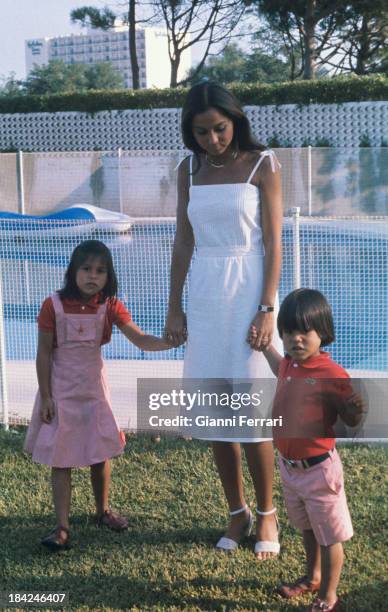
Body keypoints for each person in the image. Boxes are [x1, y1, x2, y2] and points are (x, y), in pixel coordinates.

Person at [164, 82, 283, 559]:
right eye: (201, 132)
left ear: (235, 120)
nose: (212, 139)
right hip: (208, 294)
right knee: (216, 412)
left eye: (219, 128)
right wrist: (174, 305)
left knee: (254, 412)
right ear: (190, 133)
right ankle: (236, 512)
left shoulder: (263, 163)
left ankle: (268, 514)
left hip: (249, 288)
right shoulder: (187, 169)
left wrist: (267, 307)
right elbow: (183, 241)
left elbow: (273, 242)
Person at [25, 240, 176, 551]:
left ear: (108, 276)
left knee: (100, 454)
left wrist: (168, 343)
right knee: (61, 458)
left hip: (94, 391)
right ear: (73, 271)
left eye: (100, 270)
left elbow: (140, 339)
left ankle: (102, 511)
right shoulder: (51, 305)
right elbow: (42, 354)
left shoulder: (110, 306)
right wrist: (47, 396)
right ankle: (62, 527)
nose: (92, 276)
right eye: (86, 269)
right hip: (60, 392)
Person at [259, 288, 364, 611]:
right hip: (291, 469)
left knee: (329, 536)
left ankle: (329, 598)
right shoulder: (290, 364)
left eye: (304, 331)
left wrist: (354, 410)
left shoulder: (331, 374)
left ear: (323, 332)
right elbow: (281, 371)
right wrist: (266, 348)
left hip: (319, 472)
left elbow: (351, 417)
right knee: (307, 528)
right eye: (288, 332)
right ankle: (312, 576)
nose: (296, 339)